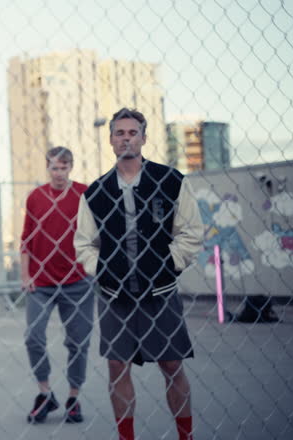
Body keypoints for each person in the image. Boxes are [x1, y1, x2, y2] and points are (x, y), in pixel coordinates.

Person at [74, 108, 203, 440]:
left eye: (133, 132)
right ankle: (126, 436)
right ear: (111, 140)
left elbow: (191, 232)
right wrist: (101, 270)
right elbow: (83, 243)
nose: (126, 137)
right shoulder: (95, 192)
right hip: (115, 295)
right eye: (120, 132)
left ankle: (185, 435)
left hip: (160, 293)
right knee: (117, 368)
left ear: (144, 138)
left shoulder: (170, 180)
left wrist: (167, 264)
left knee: (172, 365)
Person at [20, 146, 93, 424]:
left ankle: (74, 396)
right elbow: (25, 239)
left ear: (70, 168)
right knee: (33, 335)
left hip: (78, 281)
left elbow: (99, 232)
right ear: (47, 168)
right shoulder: (36, 197)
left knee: (78, 341)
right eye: (53, 167)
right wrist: (26, 275)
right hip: (42, 282)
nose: (58, 172)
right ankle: (45, 392)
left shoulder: (85, 194)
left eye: (63, 167)